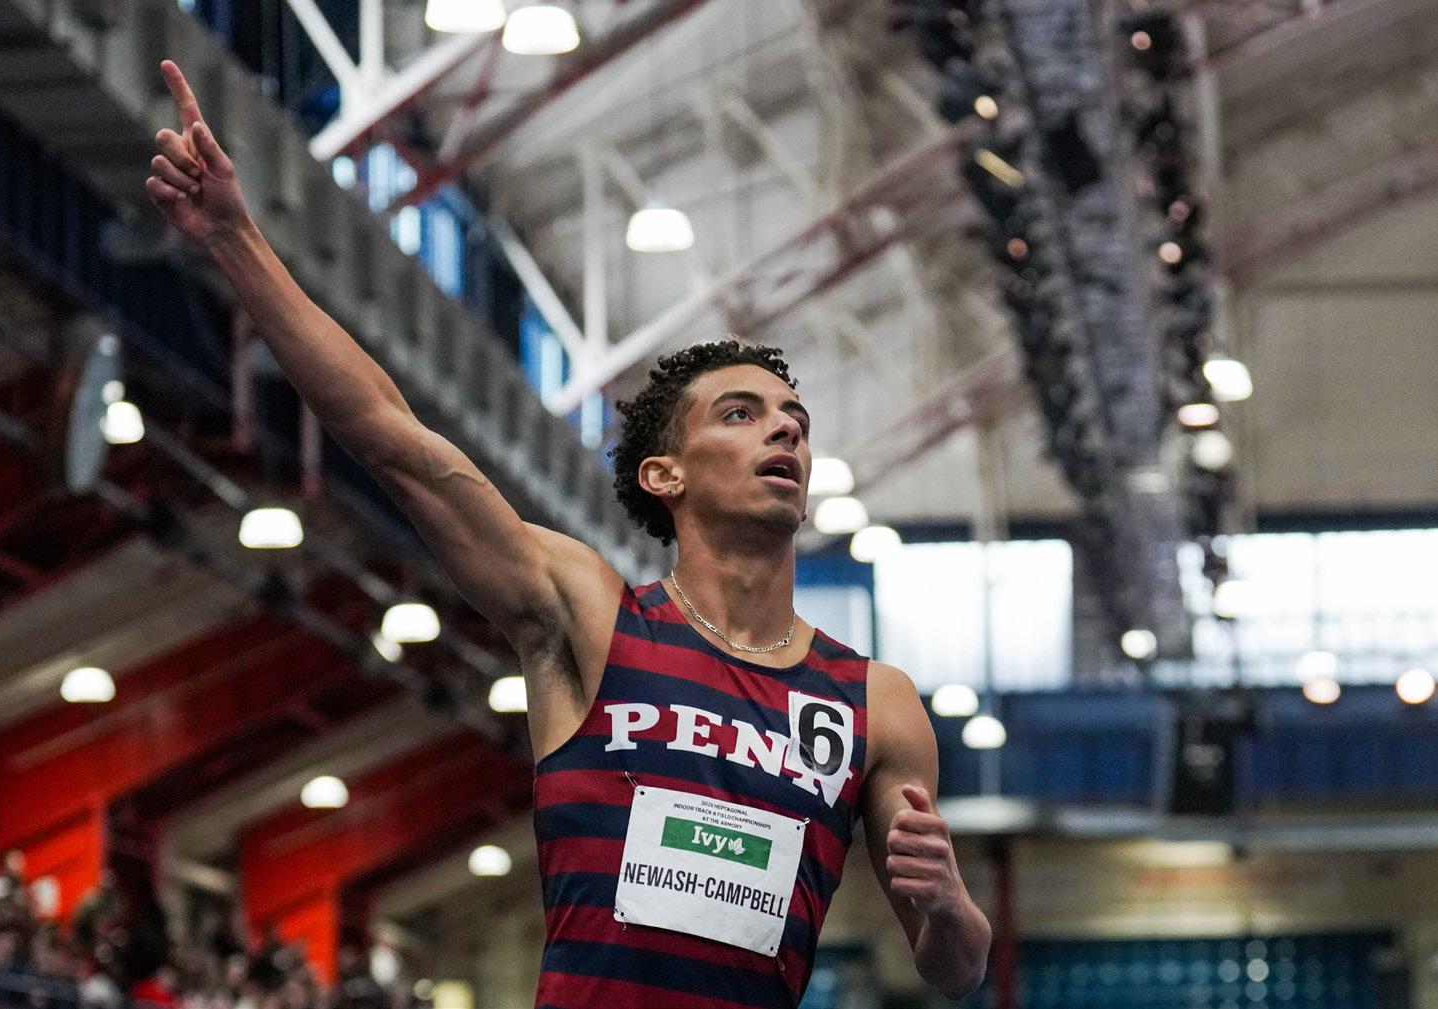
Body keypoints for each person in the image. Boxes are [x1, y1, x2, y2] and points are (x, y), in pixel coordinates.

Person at [146, 59, 991, 1007]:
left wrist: (949, 902)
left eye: (795, 419)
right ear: (664, 474)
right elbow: (391, 437)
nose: (785, 431)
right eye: (742, 414)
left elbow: (954, 965)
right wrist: (236, 238)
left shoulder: (874, 703)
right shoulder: (590, 616)